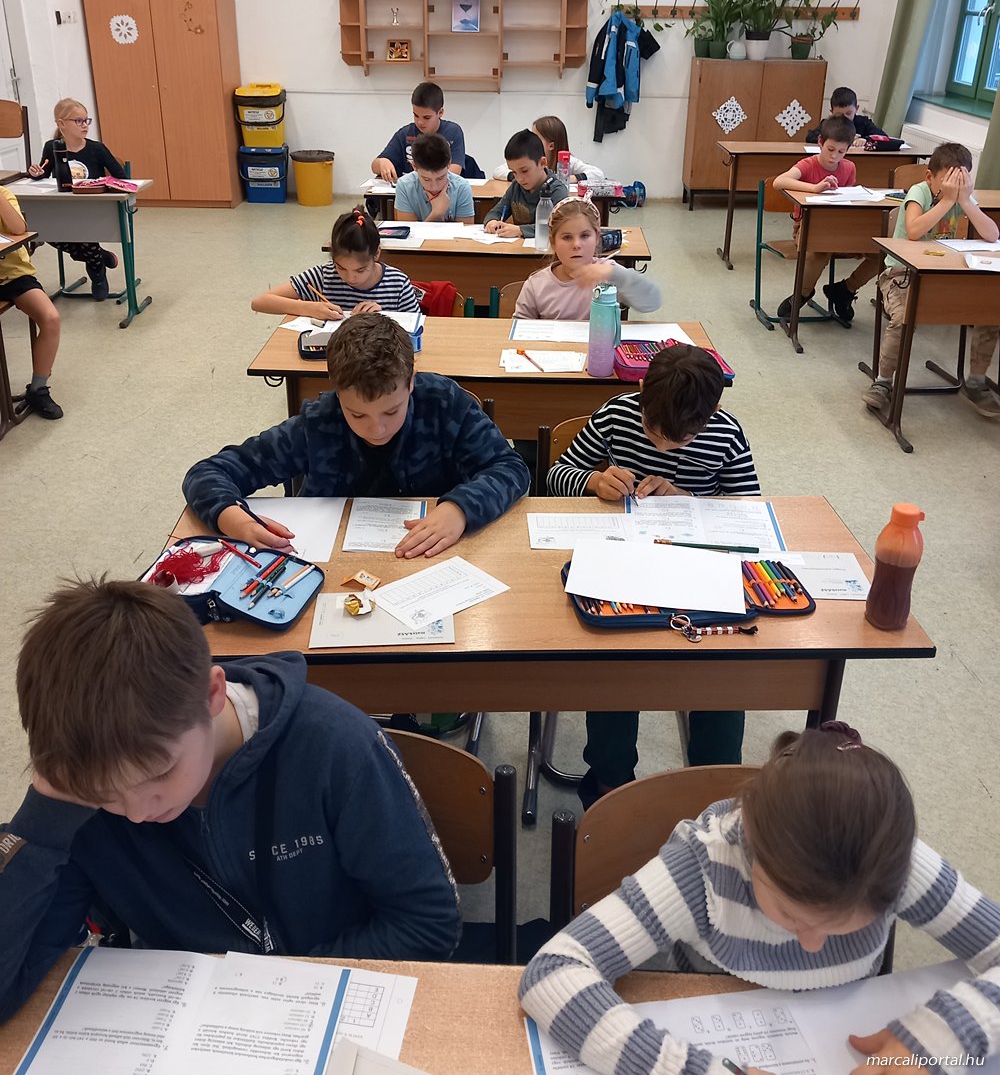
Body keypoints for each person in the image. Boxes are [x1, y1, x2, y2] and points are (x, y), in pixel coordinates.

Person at [0, 577, 461, 1021]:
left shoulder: (336, 748)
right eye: (106, 796)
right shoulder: (78, 796)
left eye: (160, 773)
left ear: (213, 694)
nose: (137, 813)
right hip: (177, 1021)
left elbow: (427, 925)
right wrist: (43, 816)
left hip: (329, 1008)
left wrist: (276, 992)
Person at [521, 722, 1000, 1075]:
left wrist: (942, 1036)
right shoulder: (703, 868)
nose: (812, 946)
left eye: (842, 927)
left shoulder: (895, 863)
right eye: (791, 914)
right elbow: (553, 971)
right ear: (751, 840)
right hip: (714, 1035)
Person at [546, 344, 758, 806]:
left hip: (697, 578)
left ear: (713, 411)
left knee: (722, 676)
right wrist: (594, 481)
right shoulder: (617, 415)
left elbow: (748, 513)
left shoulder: (725, 434)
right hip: (621, 570)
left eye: (680, 441)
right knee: (614, 669)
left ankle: (715, 793)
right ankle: (609, 787)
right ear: (640, 390)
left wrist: (687, 500)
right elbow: (555, 475)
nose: (664, 446)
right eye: (654, 432)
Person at [184, 313, 530, 559]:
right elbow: (207, 473)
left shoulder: (443, 403)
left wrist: (459, 510)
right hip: (331, 565)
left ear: (411, 382)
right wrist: (236, 521)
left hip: (432, 558)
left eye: (391, 411)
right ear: (337, 393)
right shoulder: (319, 423)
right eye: (357, 414)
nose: (376, 429)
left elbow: (510, 468)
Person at [863, 142, 1000, 419]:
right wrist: (947, 200)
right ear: (930, 176)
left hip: (946, 277)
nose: (955, 187)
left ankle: (976, 381)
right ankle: (883, 381)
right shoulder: (920, 191)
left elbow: (992, 234)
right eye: (949, 180)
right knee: (903, 316)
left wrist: (965, 200)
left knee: (990, 311)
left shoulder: (964, 198)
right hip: (901, 275)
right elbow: (914, 231)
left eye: (961, 180)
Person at [774, 115, 879, 325]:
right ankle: (803, 293)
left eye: (841, 152)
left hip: (842, 229)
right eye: (830, 149)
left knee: (881, 254)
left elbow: (848, 199)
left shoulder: (849, 168)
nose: (834, 156)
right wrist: (814, 188)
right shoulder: (808, 165)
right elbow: (779, 182)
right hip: (808, 228)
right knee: (818, 251)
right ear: (821, 142)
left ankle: (845, 289)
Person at [27, 98, 124, 300]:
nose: (85, 125)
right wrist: (36, 173)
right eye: (78, 121)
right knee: (43, 231)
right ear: (61, 124)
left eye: (86, 120)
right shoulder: (52, 147)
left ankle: (97, 273)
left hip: (93, 210)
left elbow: (121, 177)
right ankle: (99, 256)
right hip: (63, 209)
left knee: (85, 234)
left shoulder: (97, 149)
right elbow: (44, 175)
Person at [251, 207, 419, 322]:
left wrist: (383, 319)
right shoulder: (324, 276)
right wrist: (310, 308)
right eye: (341, 267)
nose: (350, 278)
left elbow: (418, 329)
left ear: (376, 254)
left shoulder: (398, 283)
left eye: (360, 270)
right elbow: (259, 302)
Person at [514, 197, 660, 320]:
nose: (576, 245)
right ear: (553, 242)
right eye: (567, 237)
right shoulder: (536, 285)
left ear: (597, 238)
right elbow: (519, 329)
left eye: (584, 235)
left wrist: (614, 274)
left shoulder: (608, 274)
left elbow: (652, 301)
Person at [0, 187, 63, 419]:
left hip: (13, 275)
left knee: (50, 318)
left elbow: (18, 229)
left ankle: (38, 390)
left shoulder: (4, 195)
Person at [371, 82, 465, 183]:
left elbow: (455, 171)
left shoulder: (453, 132)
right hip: (410, 189)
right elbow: (374, 166)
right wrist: (382, 162)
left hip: (440, 187)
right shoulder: (405, 134)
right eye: (416, 115)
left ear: (440, 113)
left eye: (426, 117)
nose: (420, 122)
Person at [483, 129, 568, 238]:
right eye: (514, 172)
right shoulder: (516, 186)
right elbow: (495, 212)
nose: (519, 179)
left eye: (524, 171)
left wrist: (520, 230)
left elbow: (557, 226)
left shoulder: (557, 190)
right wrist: (492, 221)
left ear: (542, 163)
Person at [491, 115, 606, 185]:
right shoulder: (529, 158)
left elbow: (598, 174)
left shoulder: (568, 162)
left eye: (536, 137)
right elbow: (498, 171)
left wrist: (571, 178)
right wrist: (518, 176)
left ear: (551, 146)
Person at [393, 132, 474, 224]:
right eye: (426, 179)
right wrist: (436, 214)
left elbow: (465, 231)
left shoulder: (462, 187)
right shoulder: (404, 186)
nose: (434, 187)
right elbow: (409, 231)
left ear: (449, 164)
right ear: (414, 166)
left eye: (440, 178)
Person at [805, 86, 887, 144]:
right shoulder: (828, 123)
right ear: (832, 112)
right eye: (839, 114)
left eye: (848, 113)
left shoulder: (863, 122)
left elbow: (884, 137)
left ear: (856, 108)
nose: (844, 117)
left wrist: (866, 140)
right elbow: (810, 137)